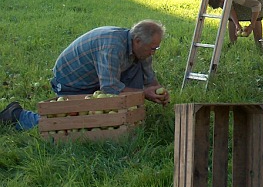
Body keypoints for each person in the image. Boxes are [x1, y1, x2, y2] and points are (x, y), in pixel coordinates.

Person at [0, 20, 170, 131]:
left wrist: (155, 89)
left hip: (96, 77)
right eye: (152, 48)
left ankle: (127, 116)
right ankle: (18, 116)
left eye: (156, 48)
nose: (153, 52)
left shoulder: (141, 50)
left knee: (135, 69)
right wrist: (143, 94)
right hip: (72, 82)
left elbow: (149, 79)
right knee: (78, 123)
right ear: (138, 41)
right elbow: (110, 87)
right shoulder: (112, 47)